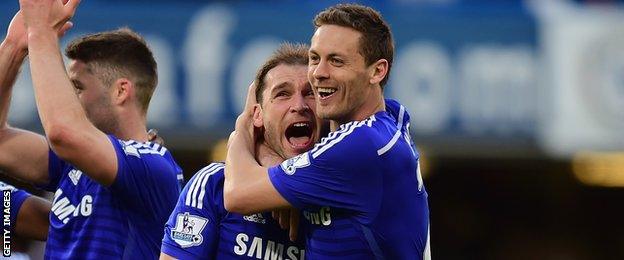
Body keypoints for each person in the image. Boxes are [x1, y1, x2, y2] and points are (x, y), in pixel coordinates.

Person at [224, 3, 431, 259]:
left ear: (377, 71)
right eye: (315, 58)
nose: (319, 73)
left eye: (336, 61)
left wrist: (243, 127)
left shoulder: (361, 145)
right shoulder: (389, 120)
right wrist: (276, 164)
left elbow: (237, 195)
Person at [0, 1, 183, 258]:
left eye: (78, 87)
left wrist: (41, 33)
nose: (68, 97)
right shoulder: (72, 166)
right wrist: (14, 48)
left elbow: (64, 133)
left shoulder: (153, 166)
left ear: (121, 91)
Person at [160, 43, 316, 260]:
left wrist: (287, 182)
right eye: (282, 94)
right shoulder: (213, 185)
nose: (299, 105)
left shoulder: (342, 188)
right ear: (258, 115)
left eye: (311, 93)